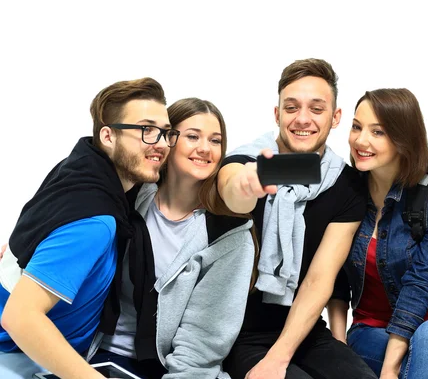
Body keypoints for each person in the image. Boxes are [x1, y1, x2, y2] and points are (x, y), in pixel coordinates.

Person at [0, 77, 175, 379]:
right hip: (22, 357)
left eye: (165, 132)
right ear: (108, 136)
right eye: (146, 130)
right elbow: (20, 317)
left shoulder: (81, 167)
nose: (160, 143)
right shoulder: (95, 221)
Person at [218, 58, 377, 379]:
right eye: (291, 108)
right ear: (277, 114)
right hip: (238, 332)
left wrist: (279, 357)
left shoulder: (344, 183)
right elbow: (232, 188)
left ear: (335, 118)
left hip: (304, 328)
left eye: (316, 109)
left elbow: (320, 279)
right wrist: (247, 185)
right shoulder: (250, 159)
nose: (302, 119)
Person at [85, 97, 258, 379]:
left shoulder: (229, 237)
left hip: (164, 368)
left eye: (215, 141)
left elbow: (202, 343)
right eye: (193, 136)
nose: (205, 148)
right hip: (91, 353)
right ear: (167, 140)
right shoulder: (128, 197)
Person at [327, 88, 428, 379]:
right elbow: (336, 279)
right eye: (356, 127)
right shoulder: (345, 191)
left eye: (377, 132)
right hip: (371, 330)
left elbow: (420, 283)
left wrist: (390, 370)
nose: (360, 140)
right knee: (425, 367)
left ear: (402, 139)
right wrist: (338, 345)